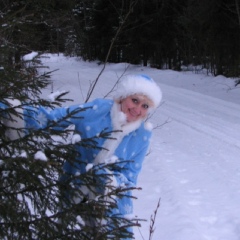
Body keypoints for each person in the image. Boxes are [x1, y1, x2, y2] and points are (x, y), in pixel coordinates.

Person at [1, 74, 162, 236]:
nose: (137, 109)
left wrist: (109, 181)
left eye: (145, 106)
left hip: (111, 202)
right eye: (135, 100)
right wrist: (16, 112)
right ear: (122, 97)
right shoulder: (97, 110)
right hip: (74, 186)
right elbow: (55, 118)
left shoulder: (143, 135)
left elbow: (130, 177)